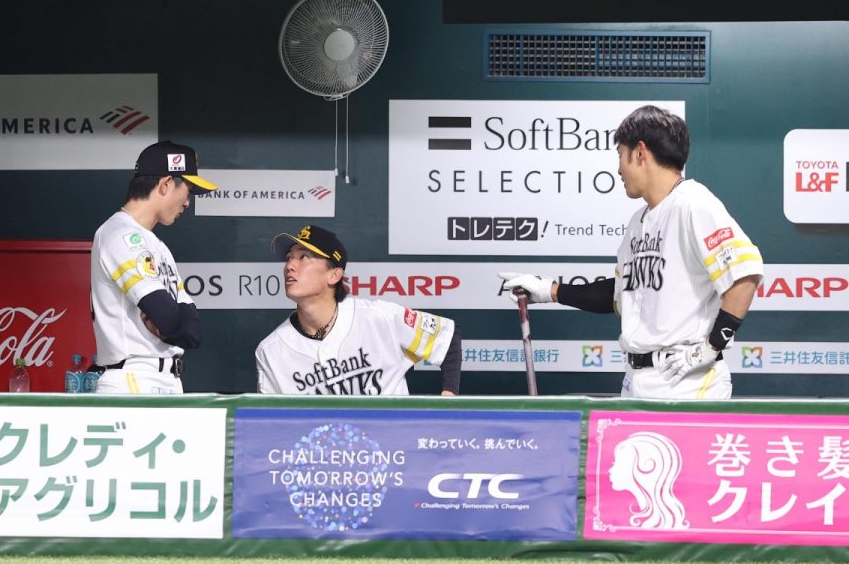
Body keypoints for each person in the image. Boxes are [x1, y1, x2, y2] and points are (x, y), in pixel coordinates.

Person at [500, 105, 764, 400]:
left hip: (687, 380)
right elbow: (619, 295)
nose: (618, 170)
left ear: (640, 153)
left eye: (620, 155)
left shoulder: (693, 203)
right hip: (636, 377)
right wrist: (549, 290)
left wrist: (712, 346)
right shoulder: (638, 222)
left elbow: (744, 274)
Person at [256, 224, 461, 396]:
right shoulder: (271, 351)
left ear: (334, 275)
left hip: (390, 434)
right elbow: (269, 421)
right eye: (289, 258)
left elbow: (447, 337)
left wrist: (447, 401)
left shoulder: (378, 318)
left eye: (304, 257)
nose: (290, 266)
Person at [90, 140, 218, 394]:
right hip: (133, 378)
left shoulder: (157, 245)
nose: (187, 203)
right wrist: (171, 324)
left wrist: (171, 325)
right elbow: (171, 320)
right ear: (166, 184)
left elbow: (192, 331)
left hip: (165, 379)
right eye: (188, 190)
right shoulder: (121, 235)